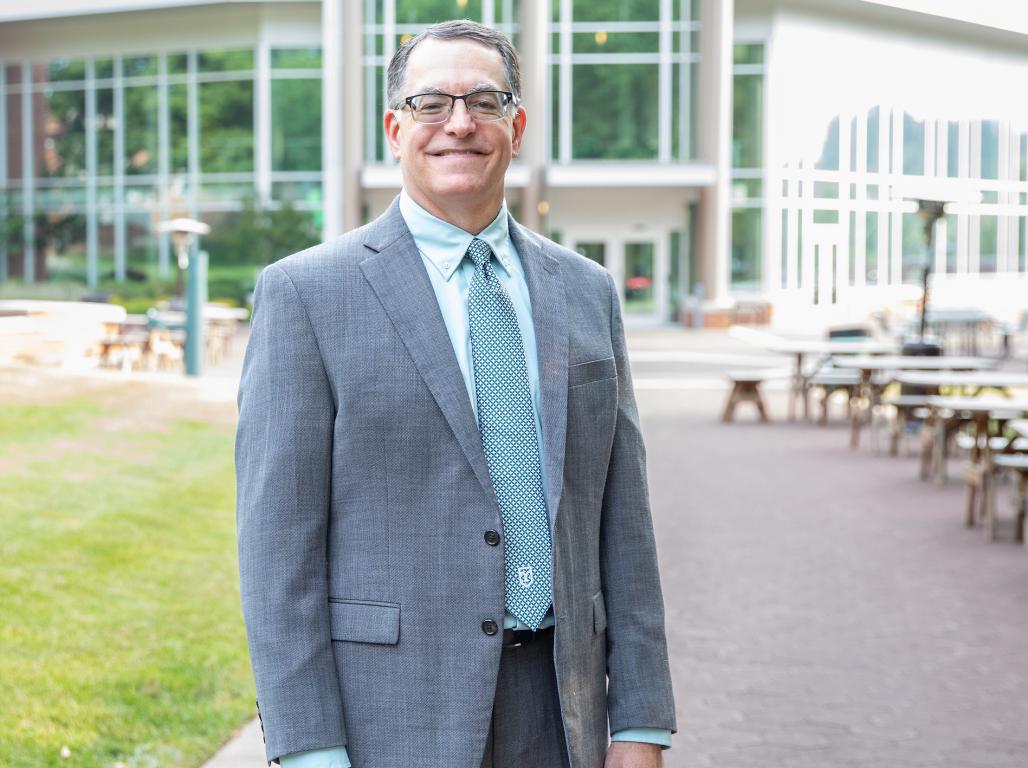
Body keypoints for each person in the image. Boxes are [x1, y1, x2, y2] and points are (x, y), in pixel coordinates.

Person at [236, 19, 675, 768]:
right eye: (432, 103)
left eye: (485, 101)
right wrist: (310, 750)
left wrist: (640, 721)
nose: (459, 124)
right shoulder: (306, 295)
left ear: (518, 124)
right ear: (395, 127)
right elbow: (279, 554)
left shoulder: (587, 291)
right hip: (391, 717)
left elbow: (623, 521)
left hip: (561, 710)